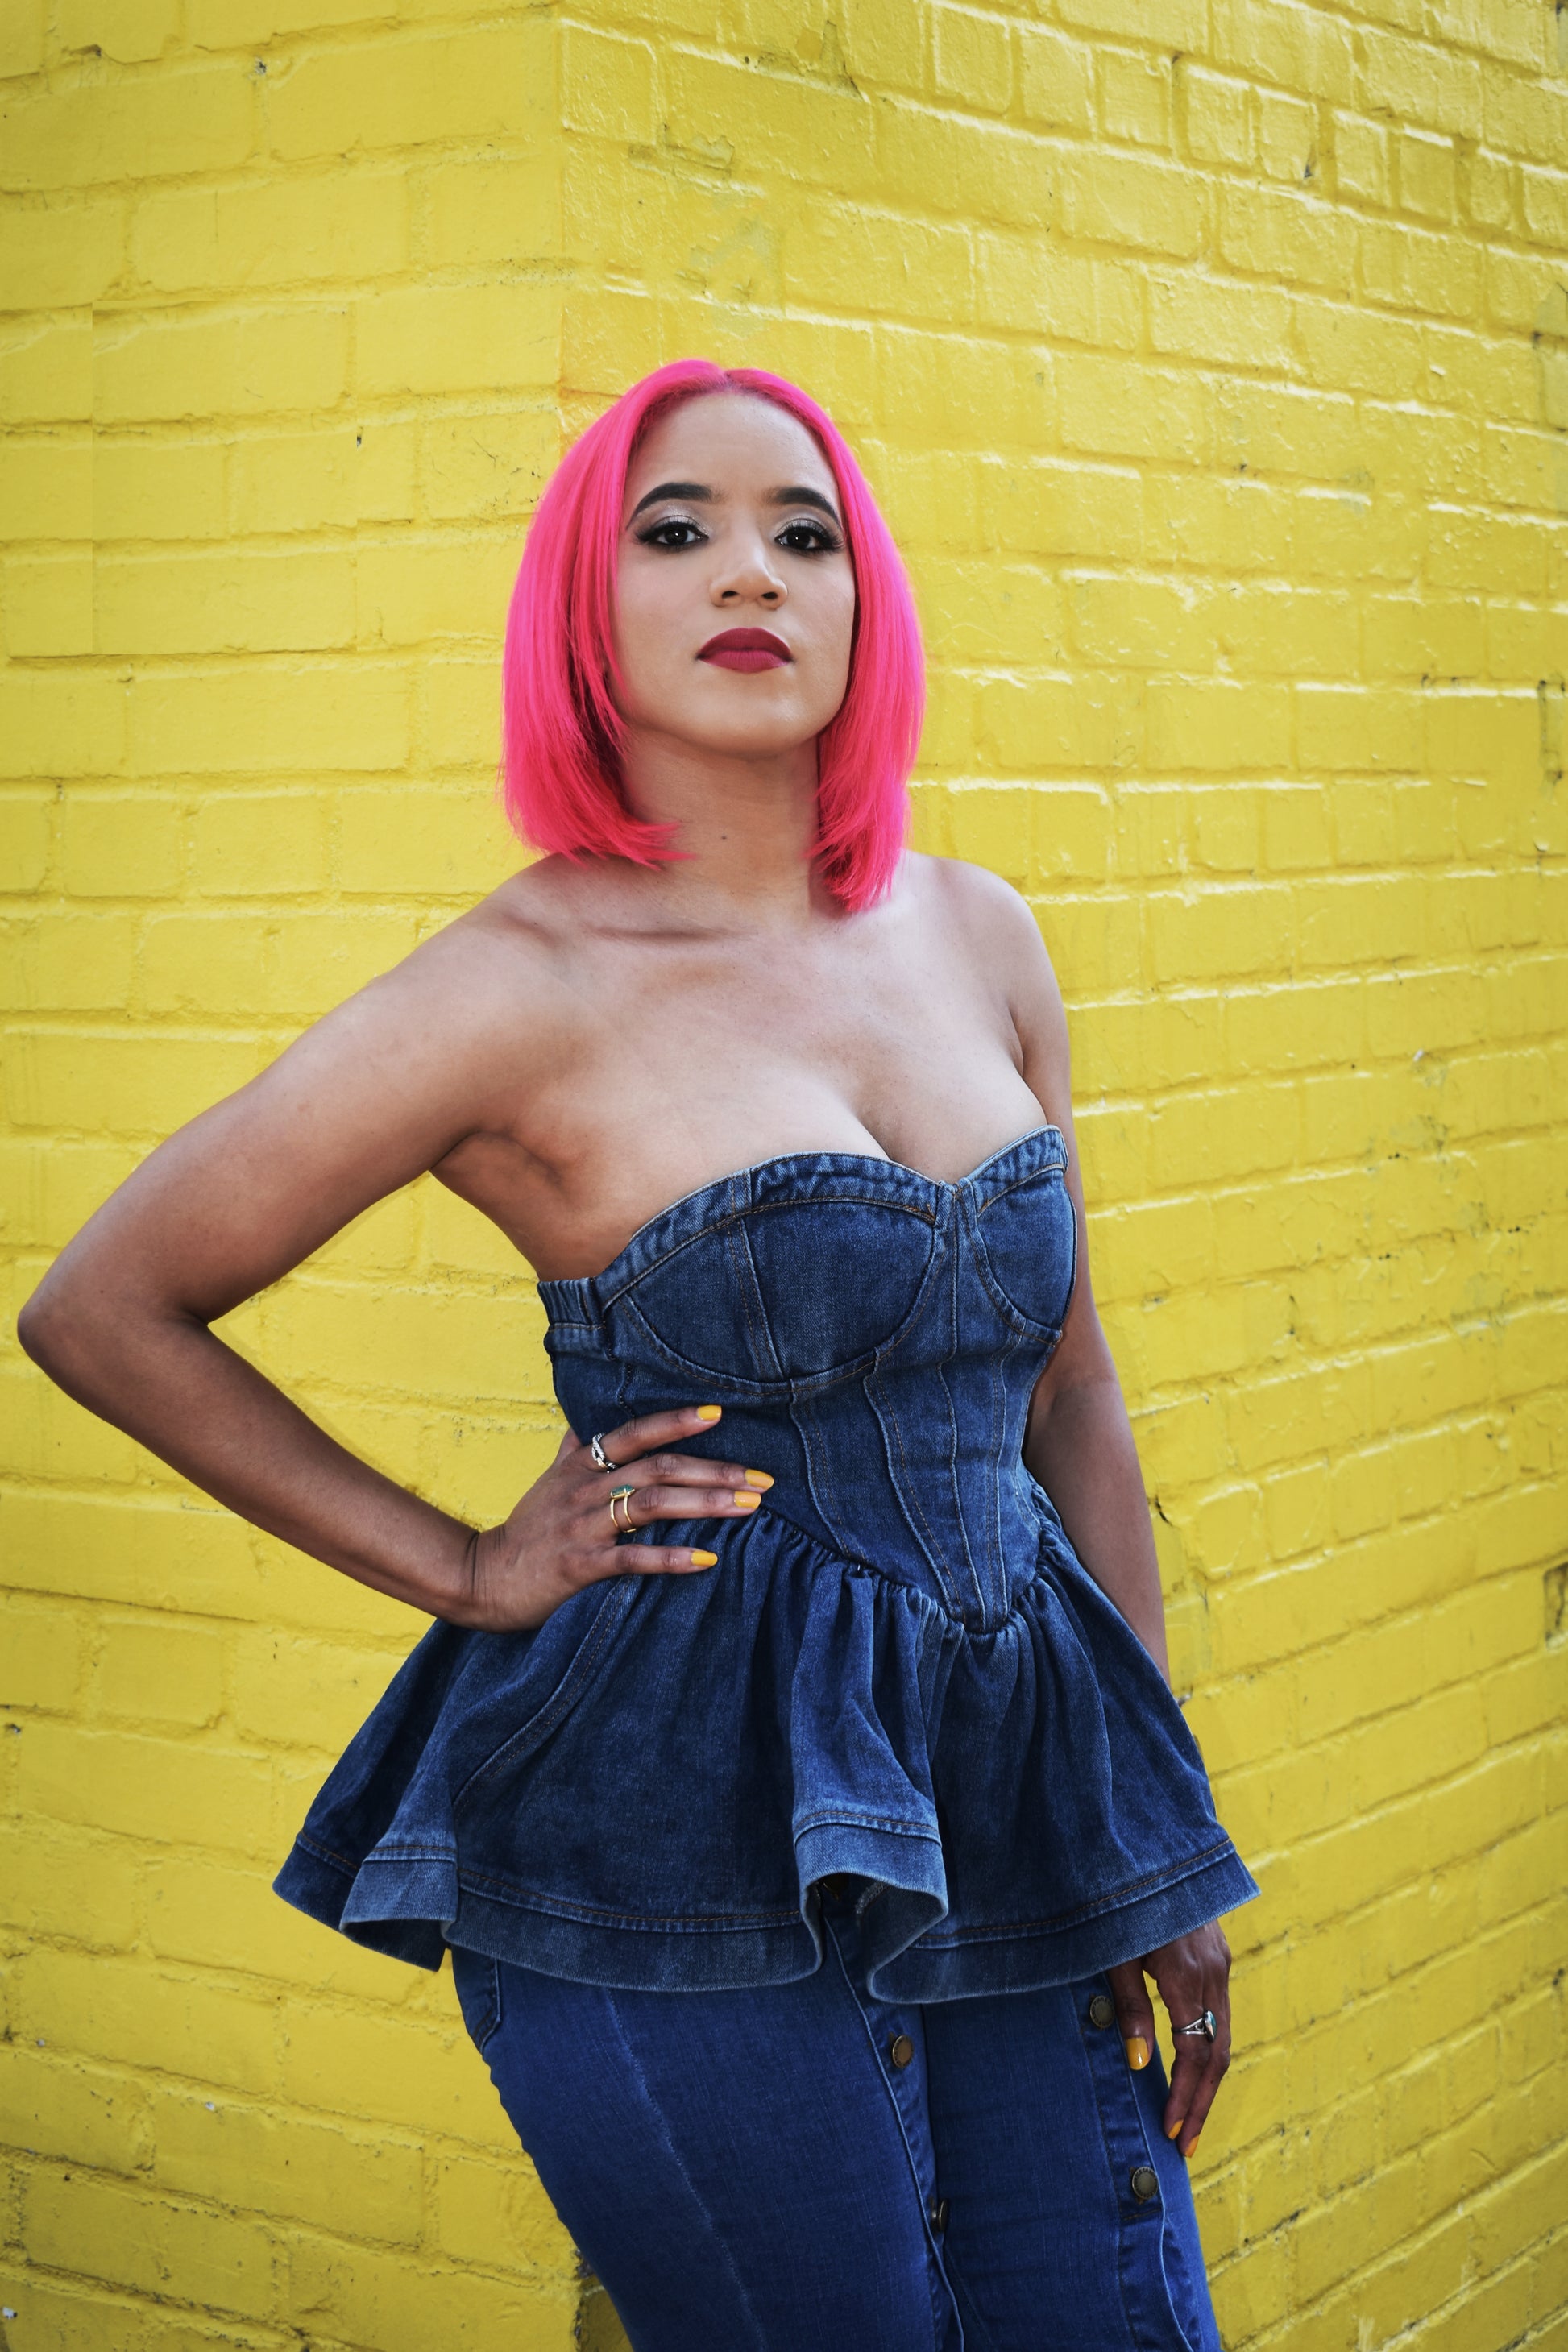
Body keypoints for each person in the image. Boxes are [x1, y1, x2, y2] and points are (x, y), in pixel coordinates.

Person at [20, 359, 1257, 2350]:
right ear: (586, 614)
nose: (744, 571)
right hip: (661, 1830)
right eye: (671, 532)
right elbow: (104, 1305)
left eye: (802, 530)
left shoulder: (976, 932)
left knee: (1113, 2315)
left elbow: (1070, 1396)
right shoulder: (515, 988)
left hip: (1007, 1792)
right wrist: (463, 1563)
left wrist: (1150, 1832)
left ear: (866, 606)